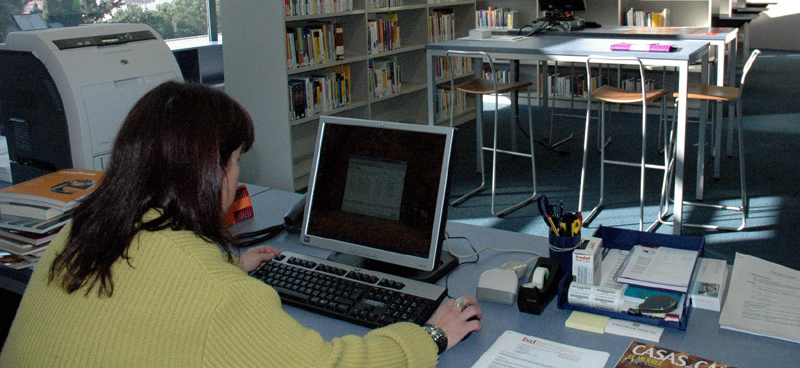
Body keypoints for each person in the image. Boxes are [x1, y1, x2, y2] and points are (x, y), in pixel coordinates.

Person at [0, 81, 482, 367]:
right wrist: (431, 335)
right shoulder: (216, 295)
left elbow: (154, 290)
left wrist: (228, 268)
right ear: (211, 174)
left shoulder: (82, 230)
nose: (237, 177)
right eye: (234, 162)